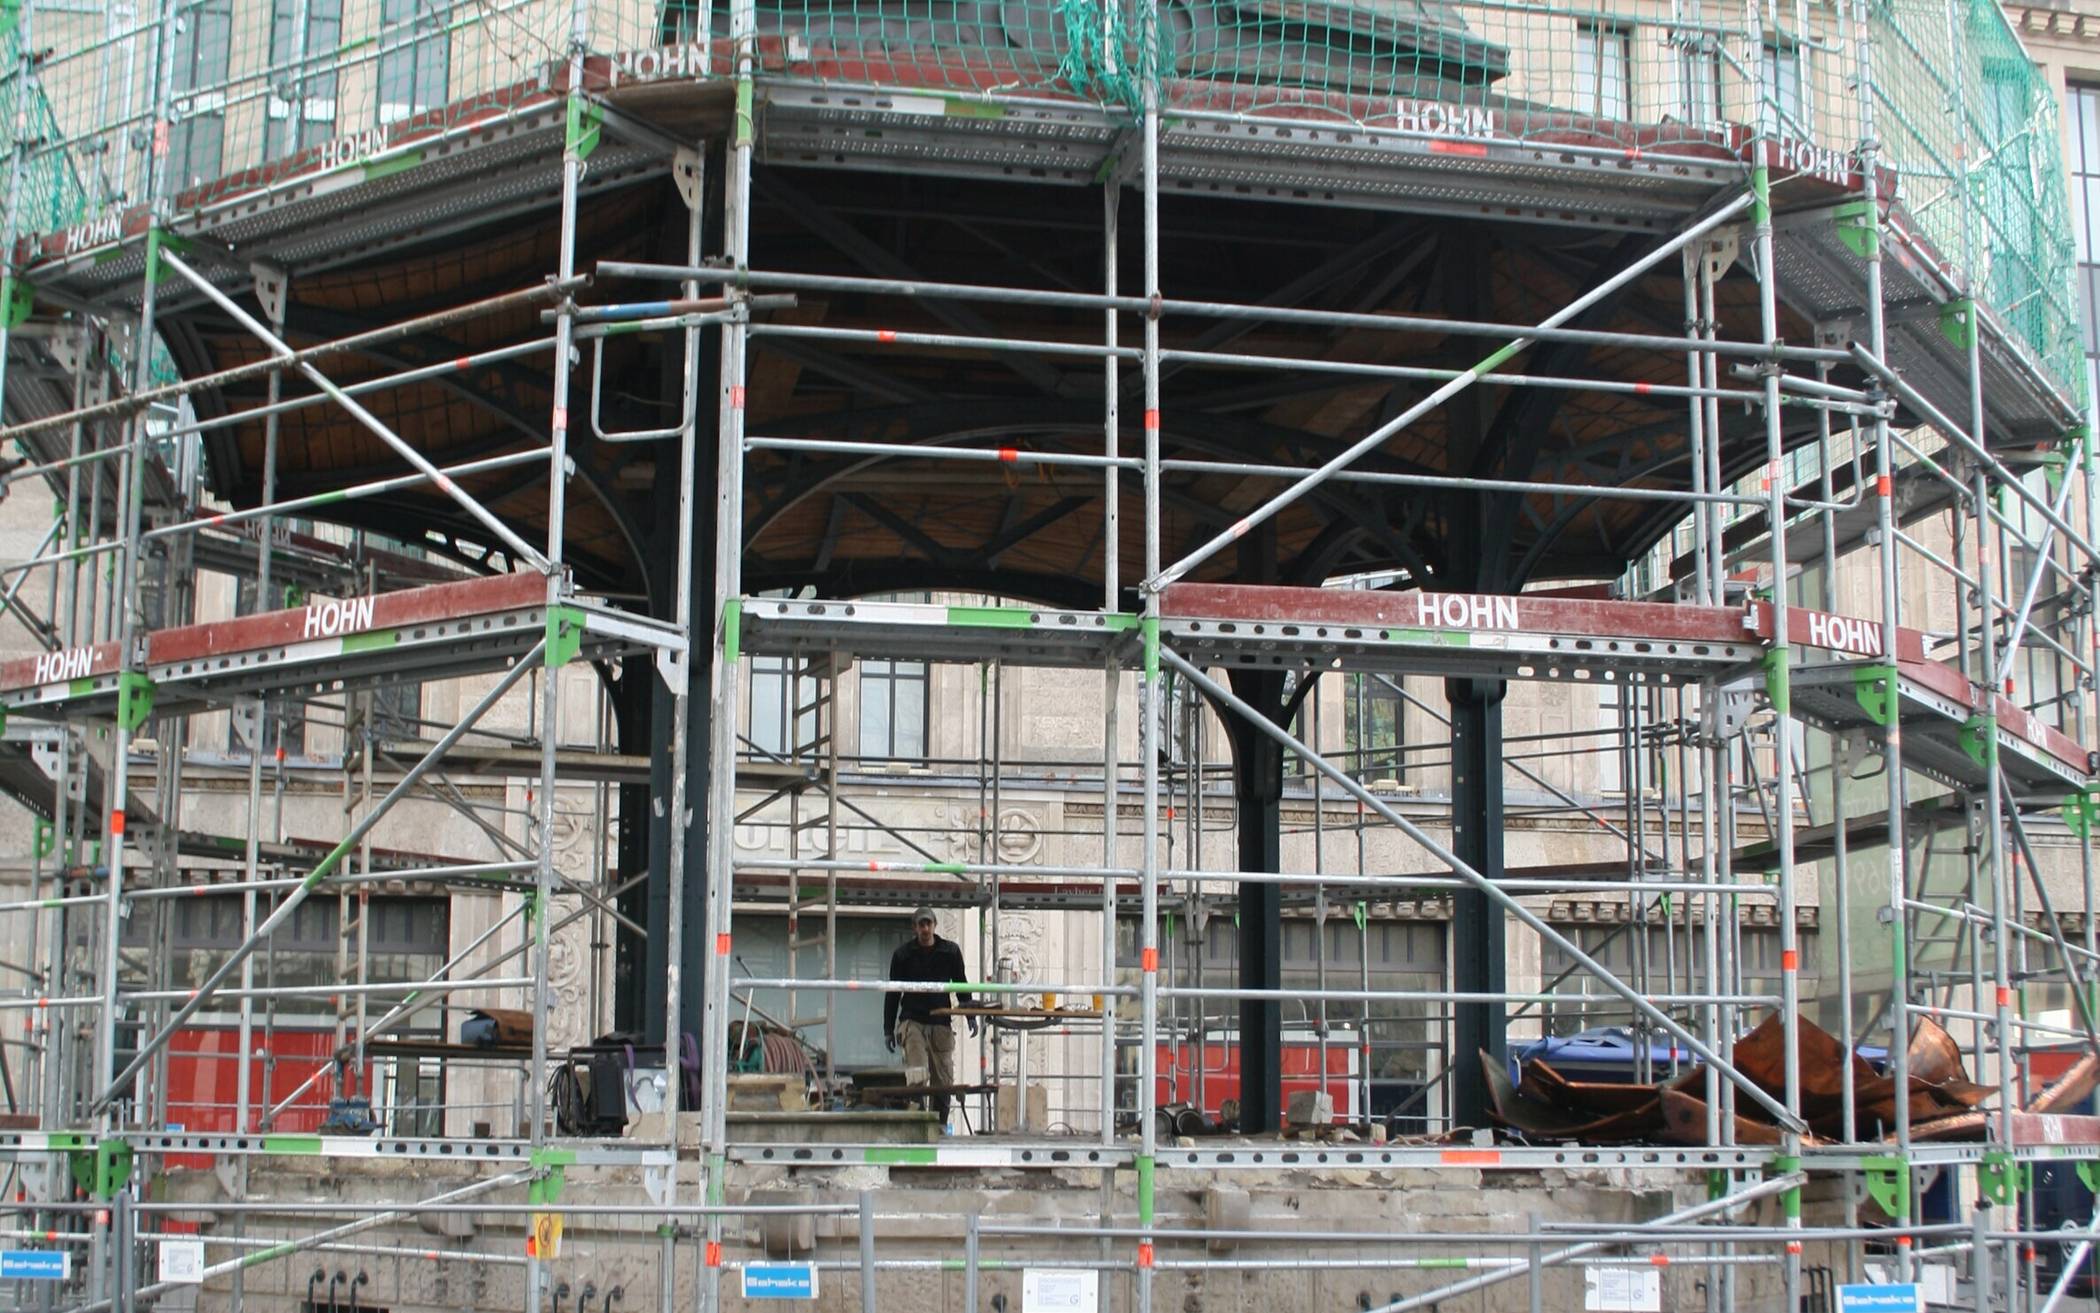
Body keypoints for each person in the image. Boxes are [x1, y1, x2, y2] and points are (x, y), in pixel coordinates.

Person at [882, 907, 978, 1122]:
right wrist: (888, 1029)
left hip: (940, 1022)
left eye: (928, 924)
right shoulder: (903, 955)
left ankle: (939, 1126)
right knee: (917, 1076)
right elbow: (893, 993)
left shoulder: (949, 952)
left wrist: (969, 1014)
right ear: (915, 928)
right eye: (921, 924)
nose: (925, 929)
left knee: (943, 1081)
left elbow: (961, 983)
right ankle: (918, 1125)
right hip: (913, 1021)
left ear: (934, 925)